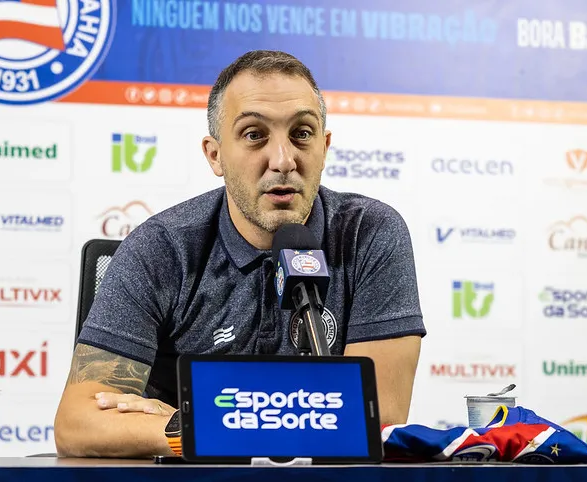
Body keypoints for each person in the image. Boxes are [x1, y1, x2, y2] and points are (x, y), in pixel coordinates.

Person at [54, 50, 425, 458]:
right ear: (215, 155)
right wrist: (182, 432)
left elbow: (379, 417)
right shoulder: (160, 246)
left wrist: (203, 421)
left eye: (302, 133)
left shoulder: (370, 233)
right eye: (254, 135)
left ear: (325, 146)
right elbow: (77, 422)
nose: (283, 160)